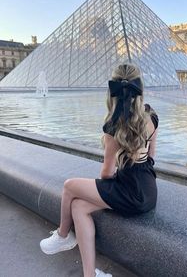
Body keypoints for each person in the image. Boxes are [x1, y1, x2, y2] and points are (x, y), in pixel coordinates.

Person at [40, 64, 159, 277]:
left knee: (69, 186)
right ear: (139, 88)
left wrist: (112, 182)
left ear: (112, 92)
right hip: (148, 191)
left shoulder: (113, 126)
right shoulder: (152, 117)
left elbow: (106, 173)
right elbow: (151, 157)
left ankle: (63, 235)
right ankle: (90, 275)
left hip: (129, 193)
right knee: (78, 207)